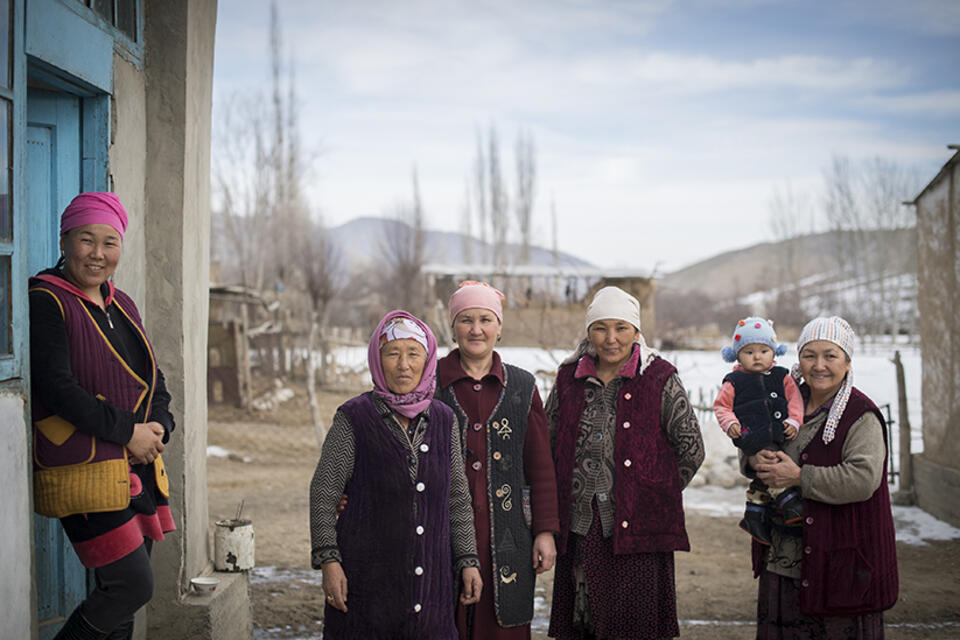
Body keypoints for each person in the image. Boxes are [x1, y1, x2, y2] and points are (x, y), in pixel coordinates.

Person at [30, 193, 175, 640]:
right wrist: (127, 433)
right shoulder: (47, 300)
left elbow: (153, 379)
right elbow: (58, 389)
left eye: (109, 243)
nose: (97, 253)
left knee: (120, 601)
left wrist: (159, 428)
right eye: (86, 240)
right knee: (130, 586)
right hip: (87, 468)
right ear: (64, 240)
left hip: (138, 469)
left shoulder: (122, 303)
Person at [309, 310, 483, 639]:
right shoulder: (354, 419)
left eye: (413, 353)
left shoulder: (444, 420)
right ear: (378, 359)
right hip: (366, 586)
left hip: (430, 588)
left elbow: (457, 498)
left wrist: (467, 559)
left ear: (428, 359)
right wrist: (329, 562)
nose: (403, 364)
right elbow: (323, 492)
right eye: (393, 353)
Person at [547, 286, 705, 640]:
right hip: (580, 528)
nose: (611, 338)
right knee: (582, 622)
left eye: (621, 327)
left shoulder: (660, 377)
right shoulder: (568, 379)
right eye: (600, 327)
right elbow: (549, 442)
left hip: (640, 532)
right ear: (589, 332)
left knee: (634, 625)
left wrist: (652, 494)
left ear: (636, 331)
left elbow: (691, 447)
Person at [745, 316, 898, 639]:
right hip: (783, 560)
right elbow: (752, 437)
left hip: (840, 561)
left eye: (830, 355)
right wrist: (753, 455)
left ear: (847, 361)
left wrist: (800, 476)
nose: (819, 365)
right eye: (809, 355)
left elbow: (862, 478)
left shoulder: (860, 415)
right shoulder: (781, 402)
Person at [435, 281, 559, 640]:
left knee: (502, 625)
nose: (476, 329)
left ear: (499, 327)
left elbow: (540, 467)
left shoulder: (521, 387)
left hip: (508, 535)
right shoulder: (430, 384)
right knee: (444, 619)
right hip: (443, 531)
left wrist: (545, 532)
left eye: (486, 319)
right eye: (466, 320)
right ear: (453, 326)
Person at [713, 317, 805, 545]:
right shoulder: (734, 380)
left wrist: (794, 421)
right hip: (750, 434)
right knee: (770, 461)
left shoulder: (782, 376)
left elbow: (795, 400)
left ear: (773, 352)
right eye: (749, 352)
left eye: (764, 350)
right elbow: (722, 406)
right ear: (737, 355)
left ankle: (753, 514)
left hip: (778, 431)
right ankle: (788, 500)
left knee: (770, 461)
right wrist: (729, 422)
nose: (757, 357)